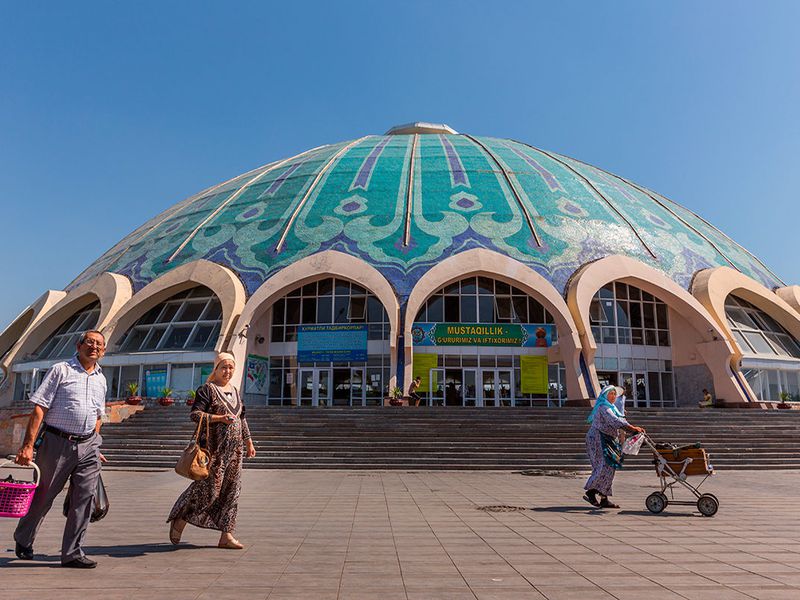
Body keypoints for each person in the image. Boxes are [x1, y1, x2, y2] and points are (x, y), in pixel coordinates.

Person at [13, 330, 107, 568]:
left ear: (104, 351)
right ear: (78, 345)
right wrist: (27, 446)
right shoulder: (61, 370)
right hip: (57, 442)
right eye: (90, 342)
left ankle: (72, 553)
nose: (94, 347)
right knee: (44, 495)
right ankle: (24, 539)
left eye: (99, 345)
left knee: (84, 500)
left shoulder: (101, 378)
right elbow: (39, 409)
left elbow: (99, 415)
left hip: (89, 444)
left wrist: (95, 442)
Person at [167, 352, 256, 549]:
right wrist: (219, 419)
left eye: (231, 367)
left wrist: (248, 441)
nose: (228, 371)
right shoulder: (207, 390)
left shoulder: (234, 390)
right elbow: (195, 415)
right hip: (213, 453)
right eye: (223, 367)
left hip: (235, 452)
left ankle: (226, 535)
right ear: (215, 369)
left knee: (232, 492)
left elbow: (242, 418)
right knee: (209, 492)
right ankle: (181, 518)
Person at [583, 385, 645, 509]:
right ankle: (591, 490)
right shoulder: (603, 407)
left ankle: (604, 497)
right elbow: (615, 421)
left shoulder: (612, 408)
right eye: (610, 394)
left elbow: (619, 419)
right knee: (603, 465)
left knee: (610, 466)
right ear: (605, 396)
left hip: (608, 439)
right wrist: (633, 428)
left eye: (614, 394)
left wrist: (631, 429)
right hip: (598, 438)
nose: (613, 396)